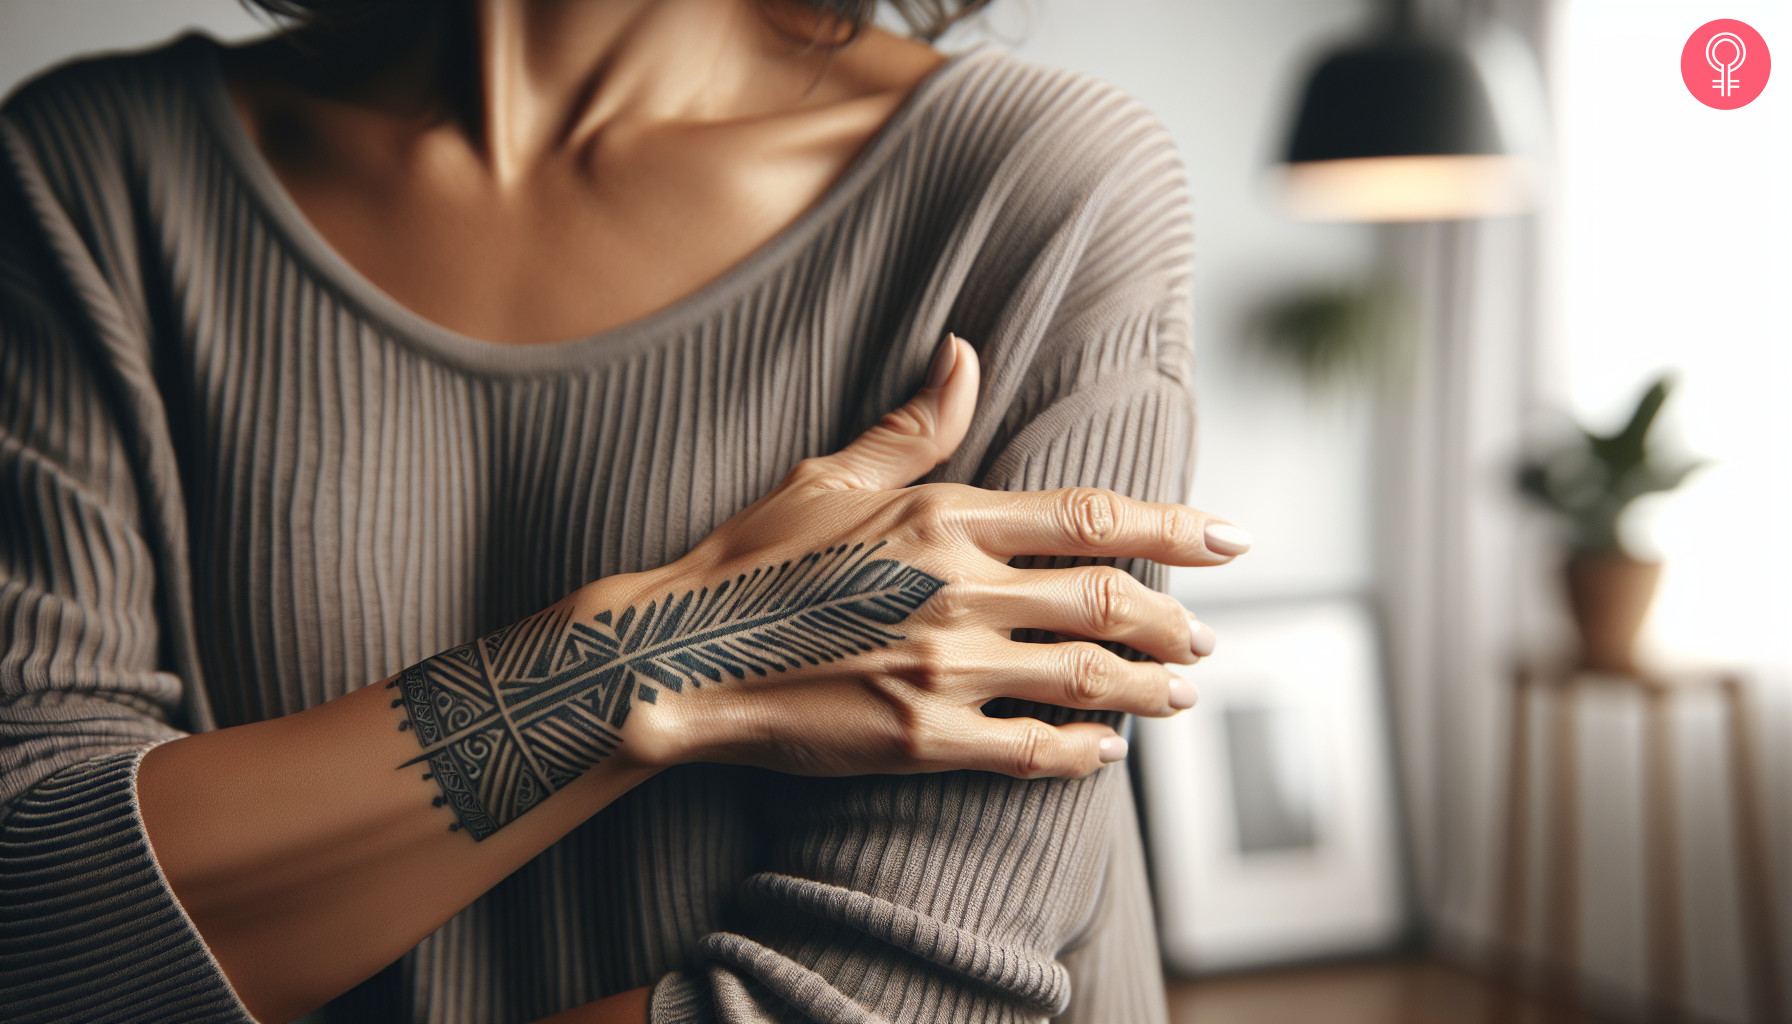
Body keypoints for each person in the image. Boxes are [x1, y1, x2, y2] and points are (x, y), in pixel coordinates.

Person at [0, 1, 1247, 1021]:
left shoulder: (1035, 187)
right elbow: (36, 937)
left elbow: (884, 996)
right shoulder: (87, 178)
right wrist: (659, 662)